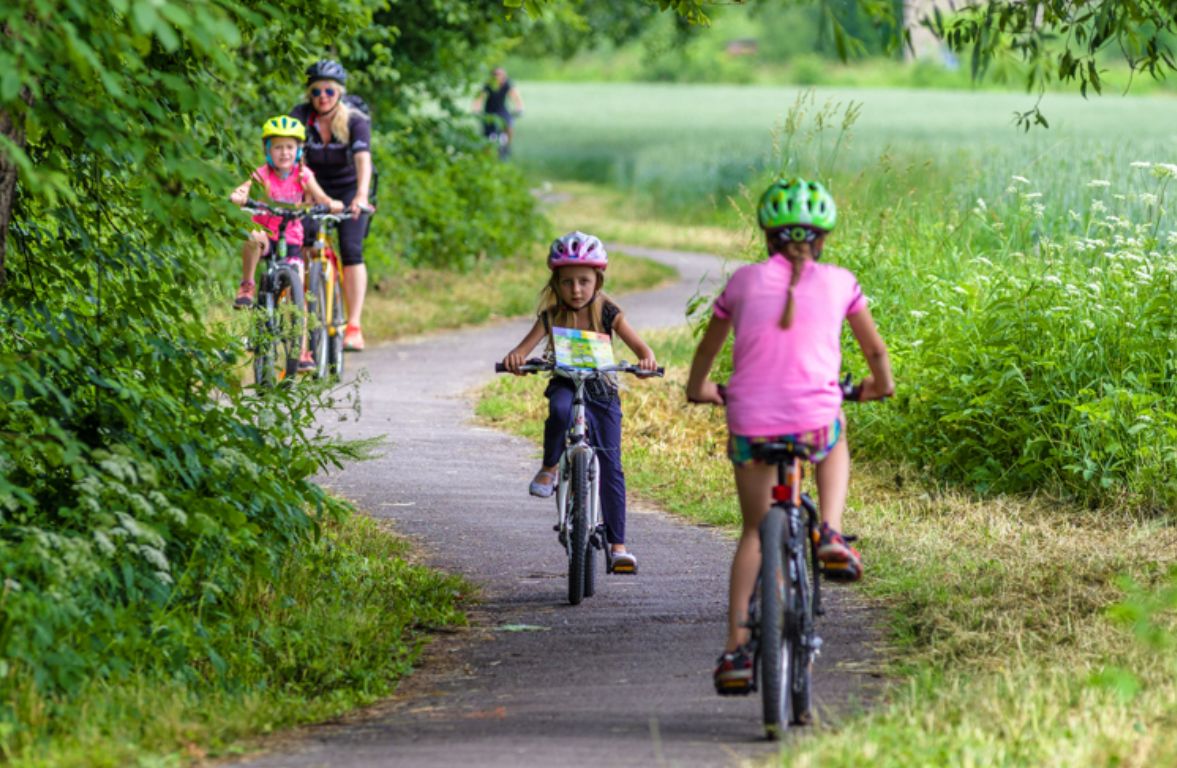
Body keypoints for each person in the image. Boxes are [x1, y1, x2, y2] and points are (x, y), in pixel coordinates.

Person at [684, 177, 894, 694]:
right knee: (834, 432)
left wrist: (699, 388)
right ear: (822, 239)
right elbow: (875, 352)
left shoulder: (741, 283)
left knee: (755, 532)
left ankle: (736, 651)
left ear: (767, 236)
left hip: (749, 419)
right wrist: (879, 386)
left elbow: (708, 349)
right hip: (814, 416)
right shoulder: (842, 282)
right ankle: (832, 532)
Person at [501, 232, 658, 574]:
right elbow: (521, 350)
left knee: (611, 465)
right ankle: (550, 468)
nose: (576, 290)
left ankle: (618, 548)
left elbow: (641, 348)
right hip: (566, 383)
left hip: (601, 390)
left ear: (597, 281)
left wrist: (646, 361)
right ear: (555, 284)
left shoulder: (608, 312)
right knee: (559, 411)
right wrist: (516, 360)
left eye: (584, 281)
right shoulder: (551, 316)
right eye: (567, 282)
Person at [229, 116, 344, 371]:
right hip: (267, 236)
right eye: (278, 147)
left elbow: (321, 197)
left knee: (297, 292)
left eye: (290, 147)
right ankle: (247, 285)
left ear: (299, 150)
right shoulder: (262, 174)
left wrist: (331, 203)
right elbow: (243, 189)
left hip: (291, 240)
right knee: (252, 236)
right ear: (268, 150)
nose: (284, 153)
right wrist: (239, 196)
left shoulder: (303, 175)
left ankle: (301, 350)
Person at [291, 59, 373, 352]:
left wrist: (361, 196)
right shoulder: (301, 117)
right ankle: (304, 322)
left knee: (352, 251)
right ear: (309, 94)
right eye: (316, 91)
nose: (322, 97)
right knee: (304, 244)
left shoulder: (354, 120)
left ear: (339, 92)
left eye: (329, 90)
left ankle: (354, 326)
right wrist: (304, 193)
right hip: (313, 188)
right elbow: (294, 159)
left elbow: (363, 160)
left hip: (349, 189)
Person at [471, 66, 524, 155]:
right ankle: (486, 155)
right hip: (489, 112)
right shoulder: (488, 85)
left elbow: (516, 97)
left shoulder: (507, 84)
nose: (500, 77)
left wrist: (519, 108)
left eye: (502, 75)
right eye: (497, 75)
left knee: (509, 127)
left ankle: (507, 148)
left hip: (502, 111)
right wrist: (476, 110)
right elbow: (479, 98)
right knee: (487, 136)